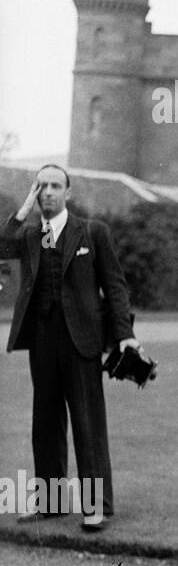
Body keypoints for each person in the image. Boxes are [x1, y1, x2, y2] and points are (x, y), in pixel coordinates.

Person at [0, 166, 137, 529]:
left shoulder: (93, 231)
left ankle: (96, 507)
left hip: (82, 340)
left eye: (55, 186)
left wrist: (125, 334)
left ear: (68, 192)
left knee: (86, 422)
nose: (48, 192)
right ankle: (51, 503)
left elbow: (115, 286)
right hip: (42, 339)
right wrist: (24, 206)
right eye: (41, 186)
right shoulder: (30, 235)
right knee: (45, 422)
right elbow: (2, 243)